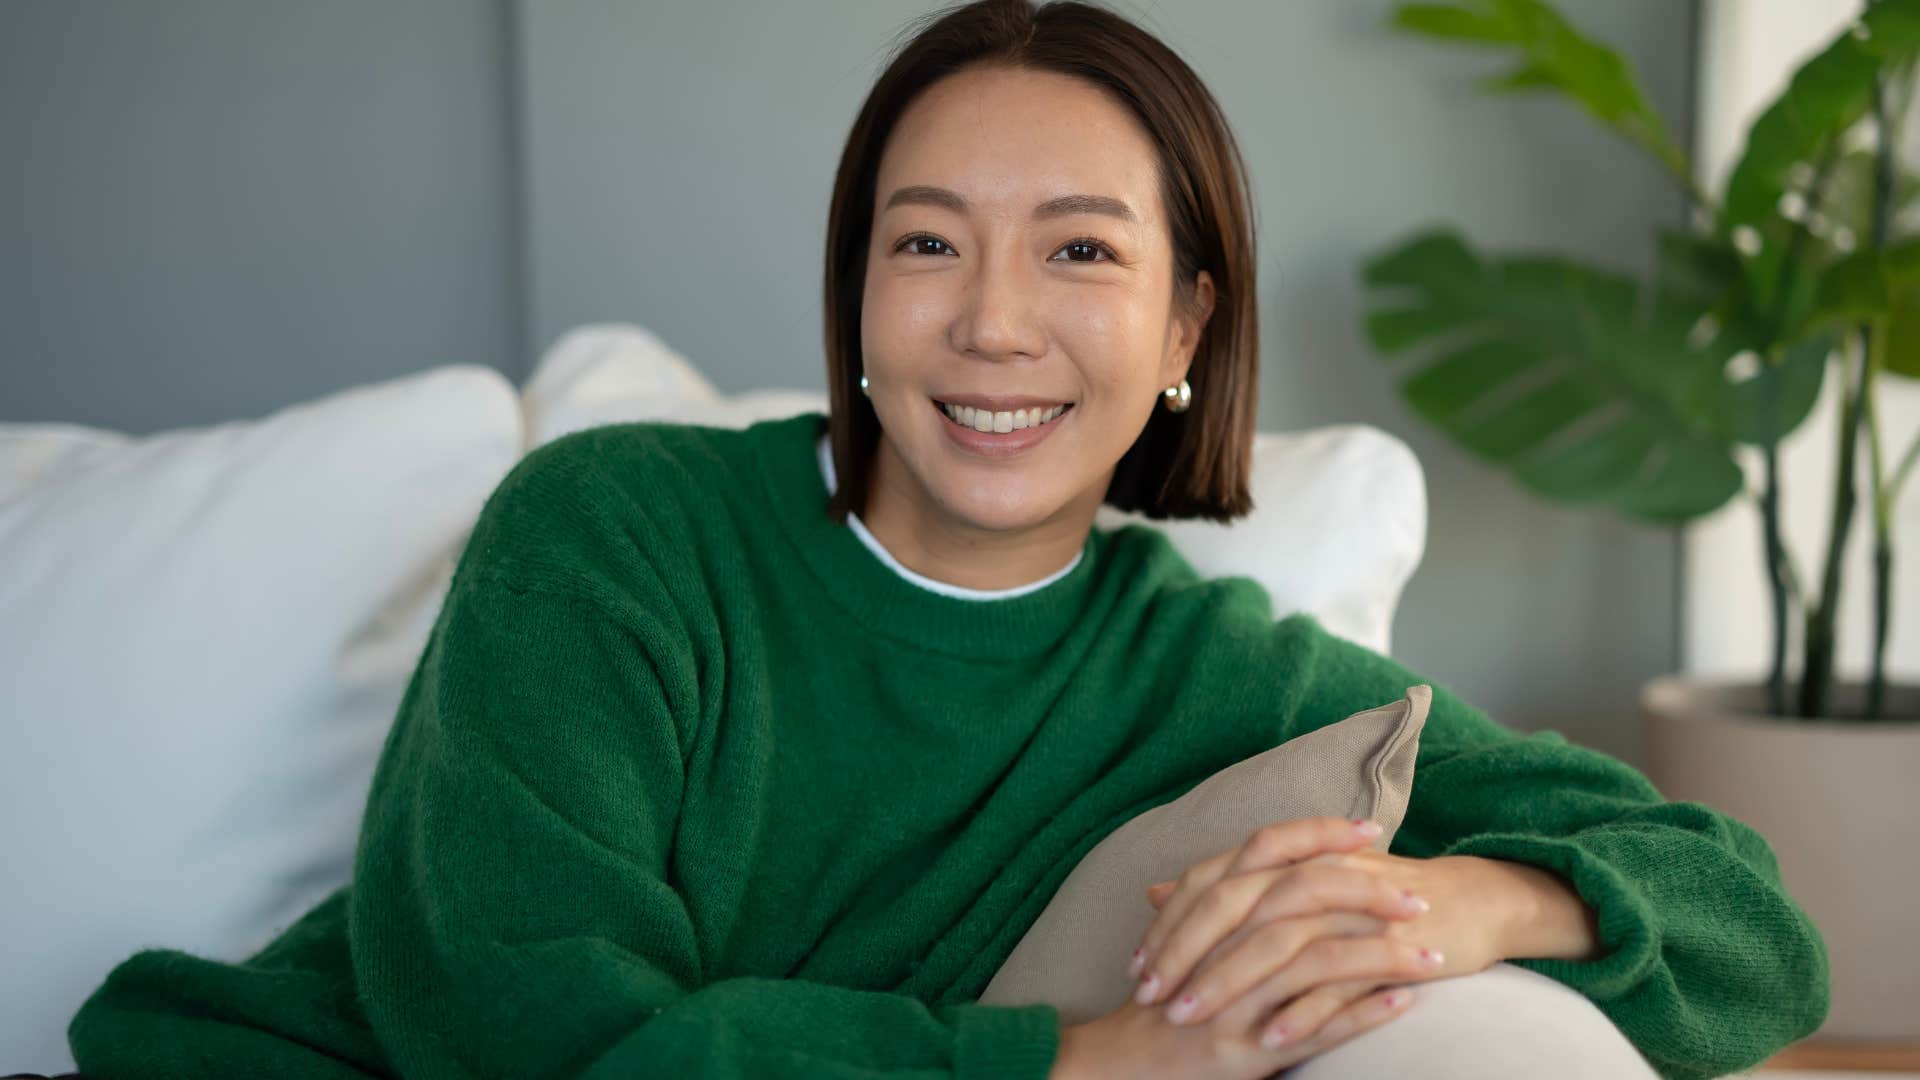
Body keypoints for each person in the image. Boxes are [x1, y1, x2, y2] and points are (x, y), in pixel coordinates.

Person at [61, 1, 1830, 1078]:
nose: (992, 325)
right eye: (926, 245)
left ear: (1188, 331)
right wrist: (1082, 1062)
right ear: (852, 296)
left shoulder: (1222, 676)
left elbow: (1755, 927)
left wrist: (1451, 906)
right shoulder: (610, 534)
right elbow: (522, 1033)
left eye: (1079, 252)